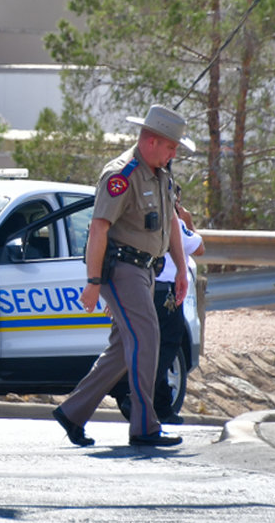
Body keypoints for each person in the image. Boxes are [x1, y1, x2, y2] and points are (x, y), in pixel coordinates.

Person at [52, 104, 194, 448]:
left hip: (146, 271)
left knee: (121, 349)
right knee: (146, 338)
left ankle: (72, 412)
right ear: (150, 141)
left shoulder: (161, 175)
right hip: (121, 270)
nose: (174, 154)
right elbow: (98, 229)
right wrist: (93, 282)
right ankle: (144, 426)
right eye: (171, 147)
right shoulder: (121, 175)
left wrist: (180, 269)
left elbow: (172, 224)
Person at [152, 193, 204, 425]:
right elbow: (199, 248)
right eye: (178, 202)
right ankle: (140, 397)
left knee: (154, 347)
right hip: (167, 292)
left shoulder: (143, 218)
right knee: (169, 346)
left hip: (146, 287)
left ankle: (161, 407)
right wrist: (187, 220)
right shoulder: (173, 221)